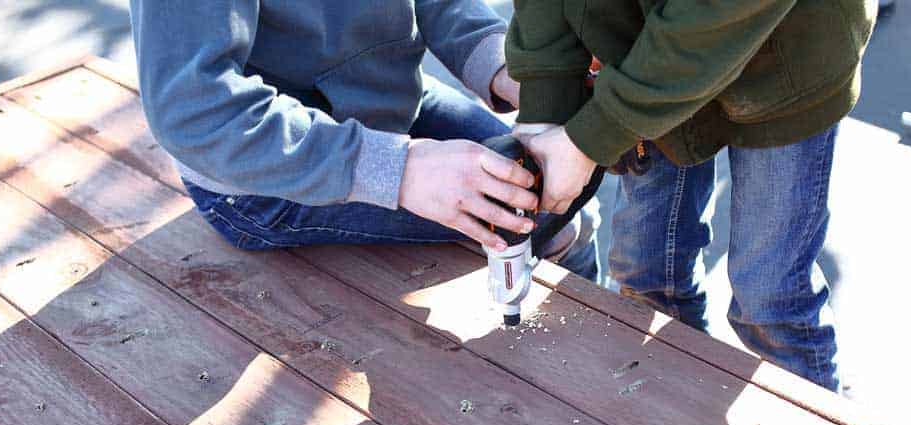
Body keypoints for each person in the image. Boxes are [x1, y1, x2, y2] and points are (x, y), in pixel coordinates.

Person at [507, 0, 877, 392]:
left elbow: (715, 12)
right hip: (647, 55)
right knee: (645, 272)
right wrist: (546, 100)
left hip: (787, 61)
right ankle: (671, 418)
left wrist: (593, 137)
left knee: (769, 298)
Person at [128, 1, 599, 279]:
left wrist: (517, 73)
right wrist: (403, 169)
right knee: (536, 213)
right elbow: (192, 108)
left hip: (390, 102)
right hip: (263, 175)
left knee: (559, 192)